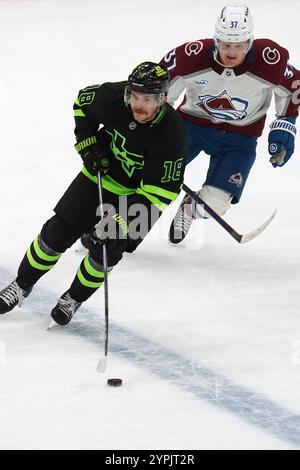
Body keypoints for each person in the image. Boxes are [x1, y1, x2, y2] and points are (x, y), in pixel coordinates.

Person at [0, 62, 186, 325]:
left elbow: (162, 193)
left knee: (107, 252)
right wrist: (88, 147)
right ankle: (21, 284)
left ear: (163, 99)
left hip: (138, 196)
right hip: (97, 177)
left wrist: (121, 221)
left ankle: (73, 299)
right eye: (134, 96)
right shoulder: (112, 97)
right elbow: (82, 104)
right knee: (55, 234)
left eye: (147, 99)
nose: (139, 105)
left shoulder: (173, 134)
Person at [159, 4, 300, 244]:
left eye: (240, 45)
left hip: (240, 138)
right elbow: (159, 90)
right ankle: (121, 227)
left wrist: (285, 124)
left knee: (214, 205)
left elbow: (294, 84)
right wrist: (152, 125)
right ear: (216, 41)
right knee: (155, 178)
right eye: (226, 44)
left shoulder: (270, 60)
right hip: (191, 127)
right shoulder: (191, 56)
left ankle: (190, 207)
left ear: (250, 41)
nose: (232, 52)